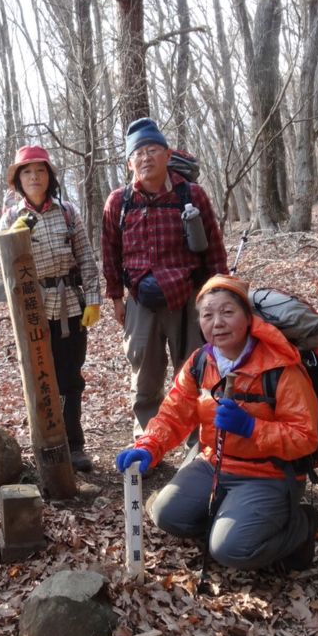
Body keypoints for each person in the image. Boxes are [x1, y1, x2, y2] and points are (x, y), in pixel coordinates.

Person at [115, 274, 318, 572]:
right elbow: (173, 413)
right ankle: (230, 522)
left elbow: (305, 438)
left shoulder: (280, 367)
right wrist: (148, 447)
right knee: (167, 514)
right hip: (215, 463)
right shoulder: (201, 362)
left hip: (267, 473)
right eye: (207, 315)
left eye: (227, 312)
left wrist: (252, 428)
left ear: (248, 318)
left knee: (232, 551)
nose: (217, 323)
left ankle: (302, 526)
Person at [101, 117, 227, 439]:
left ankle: (199, 444)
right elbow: (110, 253)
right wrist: (116, 298)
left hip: (188, 298)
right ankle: (148, 443)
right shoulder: (119, 202)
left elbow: (213, 248)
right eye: (138, 153)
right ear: (130, 162)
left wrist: (221, 295)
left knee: (194, 371)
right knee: (144, 377)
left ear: (167, 155)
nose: (145, 157)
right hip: (140, 302)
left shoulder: (191, 195)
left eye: (152, 149)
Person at [0, 145, 101, 472]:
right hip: (33, 310)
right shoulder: (11, 217)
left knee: (71, 379)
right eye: (27, 172)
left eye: (40, 170)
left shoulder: (67, 212)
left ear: (49, 176)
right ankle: (47, 444)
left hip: (70, 305)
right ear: (18, 179)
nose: (34, 177)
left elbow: (85, 257)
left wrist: (94, 298)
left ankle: (74, 444)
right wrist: (13, 237)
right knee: (41, 377)